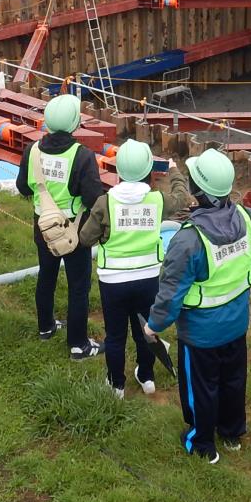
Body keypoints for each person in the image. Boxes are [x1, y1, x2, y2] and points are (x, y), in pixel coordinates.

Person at [144, 149, 251, 464]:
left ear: (197, 190)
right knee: (233, 380)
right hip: (236, 324)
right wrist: (243, 270)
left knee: (201, 388)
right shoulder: (248, 218)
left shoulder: (188, 239)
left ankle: (202, 443)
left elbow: (171, 292)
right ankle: (232, 433)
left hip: (201, 335)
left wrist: (154, 325)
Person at [79, 139, 192, 398]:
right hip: (148, 279)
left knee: (115, 335)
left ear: (118, 170)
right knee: (146, 330)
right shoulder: (157, 200)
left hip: (113, 280)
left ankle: (116, 384)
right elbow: (181, 197)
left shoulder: (105, 202)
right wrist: (174, 170)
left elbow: (85, 238)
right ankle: (147, 376)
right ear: (149, 170)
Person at [16, 93, 105, 360]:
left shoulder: (32, 150)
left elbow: (23, 187)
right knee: (78, 286)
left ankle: (45, 327)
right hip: (73, 231)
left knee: (46, 275)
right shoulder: (82, 156)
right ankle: (78, 344)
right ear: (75, 123)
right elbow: (93, 198)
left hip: (42, 227)